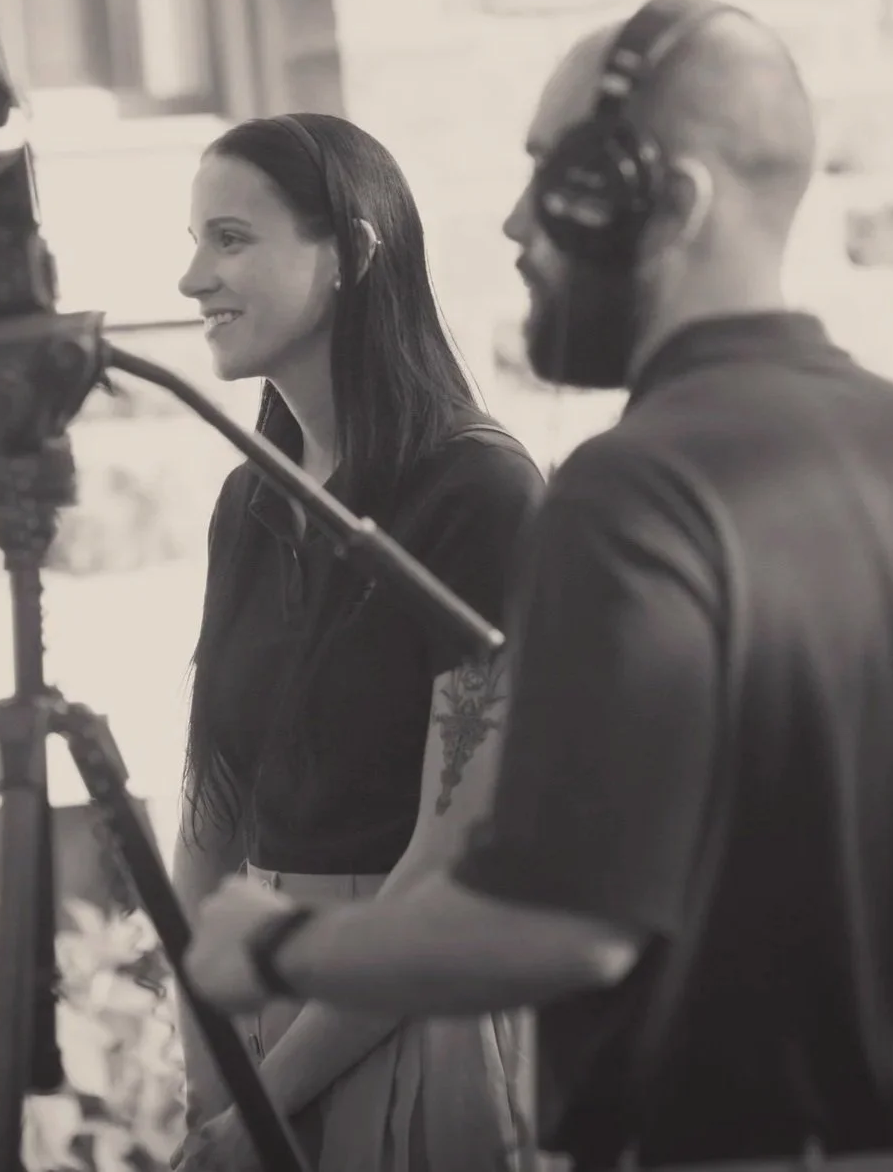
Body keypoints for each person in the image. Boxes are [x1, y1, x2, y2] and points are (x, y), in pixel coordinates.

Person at [184, 0, 893, 1172]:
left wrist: (287, 950)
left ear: (674, 200)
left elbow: (569, 917)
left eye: (554, 174)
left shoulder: (633, 494)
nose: (514, 223)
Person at [170, 111, 547, 1171]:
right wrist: (210, 1051)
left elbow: (445, 862)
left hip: (415, 1017)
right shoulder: (249, 501)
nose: (193, 279)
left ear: (352, 253)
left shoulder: (480, 492)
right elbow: (212, 803)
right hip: (258, 1006)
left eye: (231, 238)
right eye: (196, 240)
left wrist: (262, 1104)